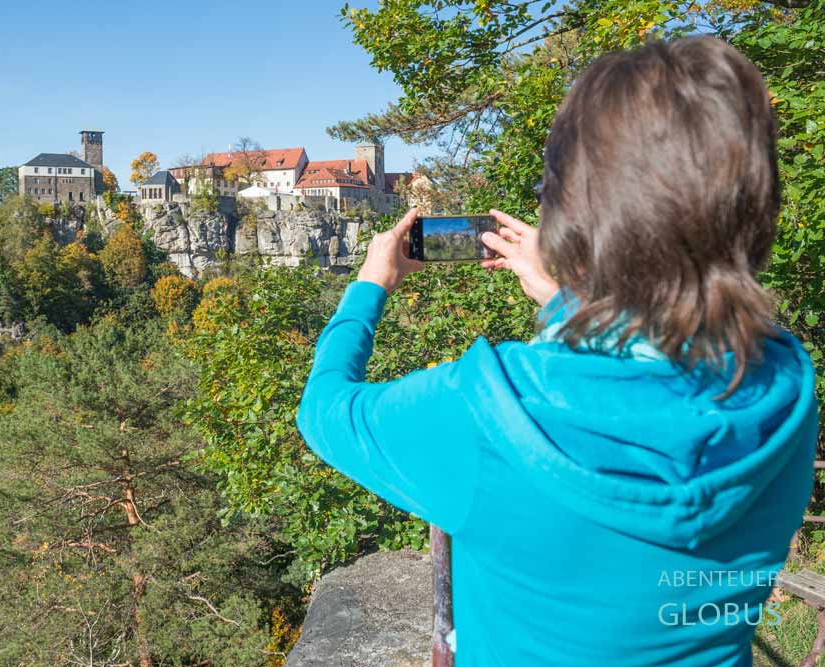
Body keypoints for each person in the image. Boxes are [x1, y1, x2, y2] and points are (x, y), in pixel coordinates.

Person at [295, 36, 818, 667]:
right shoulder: (785, 385)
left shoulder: (493, 410)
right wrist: (570, 297)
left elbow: (324, 409)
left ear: (573, 212)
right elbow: (657, 369)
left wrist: (369, 284)